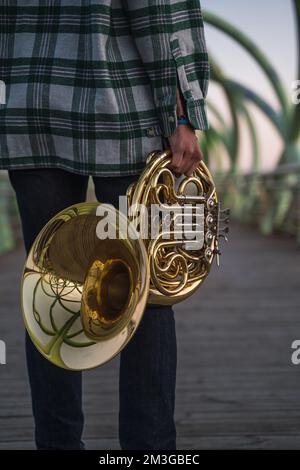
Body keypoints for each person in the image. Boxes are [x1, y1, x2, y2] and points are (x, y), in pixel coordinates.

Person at [0, 0, 209, 450]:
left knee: (49, 293)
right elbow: (156, 13)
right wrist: (183, 113)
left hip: (30, 114)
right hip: (122, 115)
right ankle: (148, 450)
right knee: (146, 292)